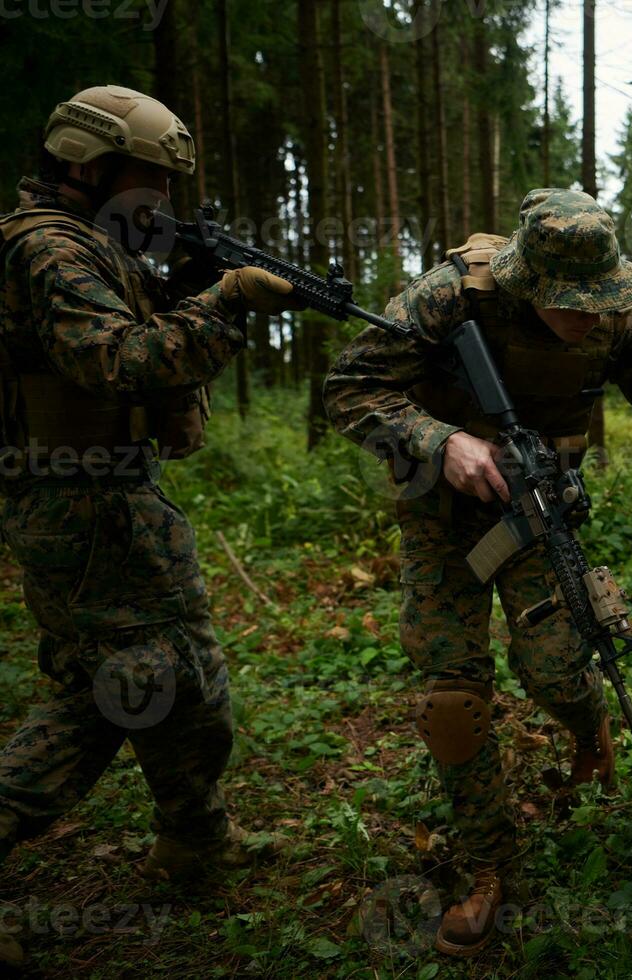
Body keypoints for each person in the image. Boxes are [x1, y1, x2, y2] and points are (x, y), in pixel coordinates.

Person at [323, 188, 632, 957]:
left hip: (538, 507)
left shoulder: (623, 307)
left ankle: (589, 728)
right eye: (570, 304)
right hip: (438, 515)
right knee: (454, 696)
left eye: (599, 301)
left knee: (557, 669)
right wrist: (439, 439)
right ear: (527, 283)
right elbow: (347, 388)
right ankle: (487, 865)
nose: (590, 317)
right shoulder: (447, 296)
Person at [0, 85, 299, 969]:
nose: (161, 203)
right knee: (129, 691)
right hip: (83, 505)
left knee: (151, 681)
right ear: (89, 166)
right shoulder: (52, 251)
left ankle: (195, 838)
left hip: (105, 497)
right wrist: (229, 301)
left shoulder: (87, 243)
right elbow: (118, 361)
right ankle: (195, 837)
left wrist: (193, 285)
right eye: (149, 181)